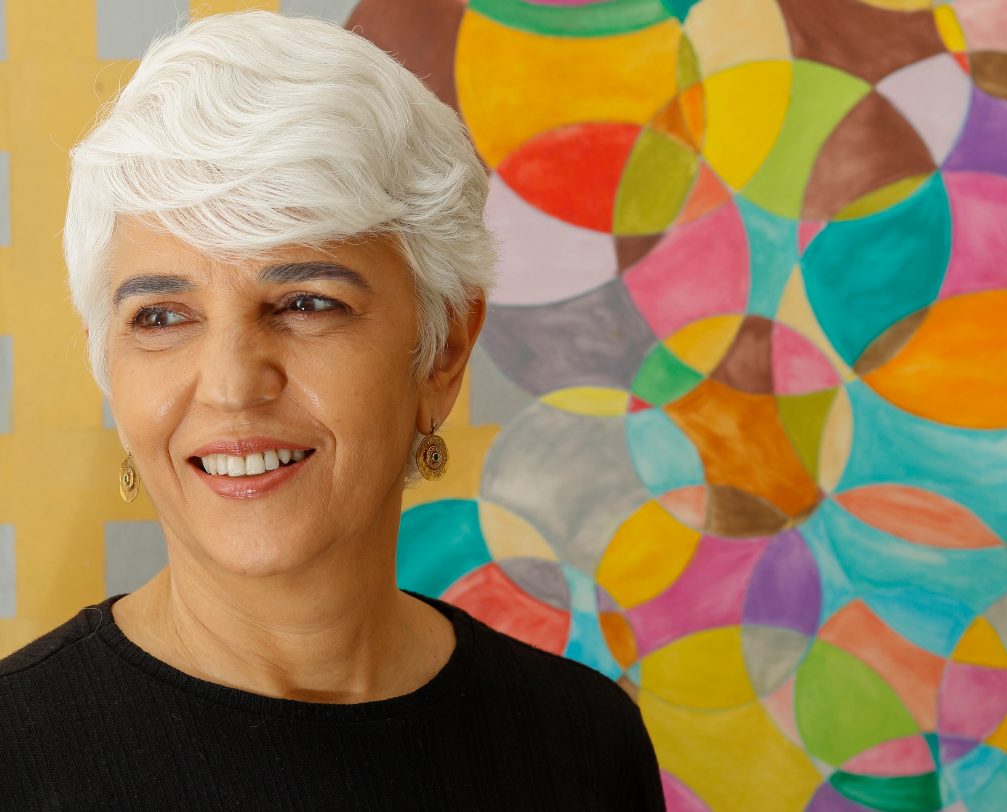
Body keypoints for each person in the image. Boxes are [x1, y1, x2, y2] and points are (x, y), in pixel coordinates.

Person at [0, 11, 666, 810]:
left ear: (444, 348)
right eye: (162, 316)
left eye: (306, 302)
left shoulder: (584, 745)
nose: (231, 386)